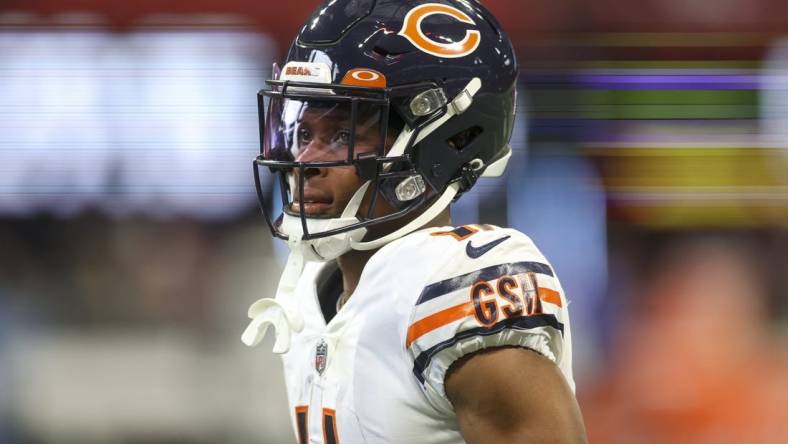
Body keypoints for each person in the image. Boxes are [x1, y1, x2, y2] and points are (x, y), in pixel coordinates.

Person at [242, 1, 586, 442]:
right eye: (303, 133)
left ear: (447, 141)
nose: (306, 161)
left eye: (344, 135)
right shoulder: (310, 293)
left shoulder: (454, 287)